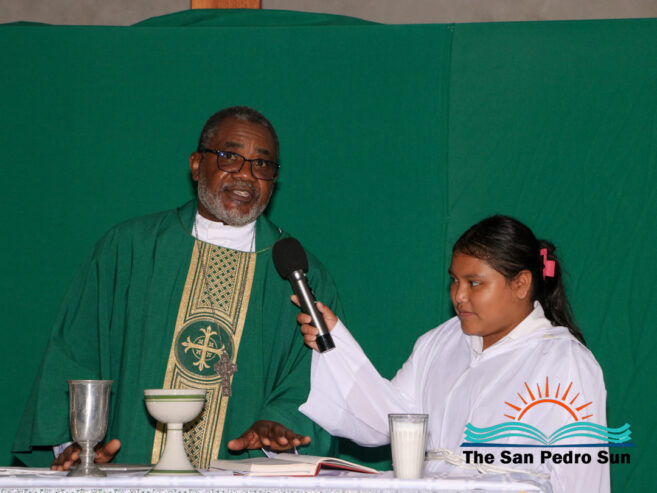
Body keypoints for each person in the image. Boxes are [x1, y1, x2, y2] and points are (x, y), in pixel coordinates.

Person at [13, 106, 343, 470]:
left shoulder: (301, 276)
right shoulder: (129, 250)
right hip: (129, 477)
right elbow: (75, 356)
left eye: (262, 164)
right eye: (230, 157)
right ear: (197, 165)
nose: (246, 175)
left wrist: (279, 429)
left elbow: (316, 381)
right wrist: (80, 446)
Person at [296, 215, 609, 493]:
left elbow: (582, 479)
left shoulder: (564, 362)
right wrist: (335, 343)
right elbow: (386, 421)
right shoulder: (440, 342)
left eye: (475, 283)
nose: (459, 296)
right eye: (455, 281)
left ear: (521, 284)